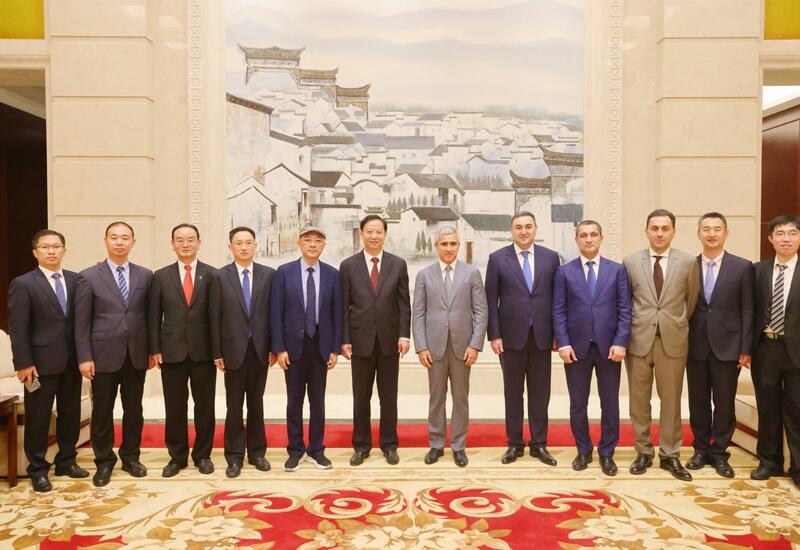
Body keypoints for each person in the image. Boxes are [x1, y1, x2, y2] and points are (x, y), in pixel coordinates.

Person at [8, 229, 89, 492]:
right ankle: (38, 469)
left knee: (70, 414)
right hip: (39, 365)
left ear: (64, 250)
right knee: (38, 418)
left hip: (71, 362)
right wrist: (23, 363)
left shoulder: (76, 280)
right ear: (35, 252)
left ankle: (67, 461)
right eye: (45, 246)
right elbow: (18, 328)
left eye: (56, 246)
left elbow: (81, 323)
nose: (51, 251)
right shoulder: (24, 284)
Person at [74, 221, 153, 487]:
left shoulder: (145, 275)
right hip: (102, 355)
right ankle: (104, 461)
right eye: (114, 237)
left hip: (136, 355)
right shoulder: (88, 276)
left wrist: (151, 350)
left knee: (134, 410)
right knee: (102, 411)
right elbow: (81, 322)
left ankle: (131, 458)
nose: (120, 242)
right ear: (105, 240)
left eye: (125, 237)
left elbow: (149, 317)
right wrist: (84, 357)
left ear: (133, 242)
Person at [623, 209, 699, 481]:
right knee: (639, 402)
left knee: (671, 401)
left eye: (665, 228)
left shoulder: (688, 262)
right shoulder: (631, 262)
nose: (659, 233)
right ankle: (643, 452)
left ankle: (670, 454)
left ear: (673, 232)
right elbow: (626, 302)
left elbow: (691, 301)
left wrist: (673, 324)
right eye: (654, 228)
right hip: (638, 341)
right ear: (646, 231)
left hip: (673, 342)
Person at [553, 220, 631, 476]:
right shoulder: (564, 272)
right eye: (584, 235)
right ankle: (583, 450)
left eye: (593, 234)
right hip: (576, 349)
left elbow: (625, 309)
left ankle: (607, 453)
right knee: (578, 404)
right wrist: (563, 343)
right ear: (576, 239)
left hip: (609, 348)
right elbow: (558, 310)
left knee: (610, 404)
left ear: (601, 238)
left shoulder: (617, 270)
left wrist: (621, 342)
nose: (589, 239)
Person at [485, 211, 560, 465]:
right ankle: (514, 444)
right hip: (510, 338)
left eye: (528, 226)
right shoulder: (497, 259)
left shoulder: (551, 258)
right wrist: (494, 335)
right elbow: (490, 300)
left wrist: (557, 335)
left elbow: (558, 299)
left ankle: (539, 444)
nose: (524, 231)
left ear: (536, 228)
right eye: (519, 227)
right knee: (513, 393)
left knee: (540, 393)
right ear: (512, 230)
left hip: (542, 337)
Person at [412, 226, 487, 467]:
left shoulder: (471, 273)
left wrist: (475, 345)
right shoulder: (424, 275)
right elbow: (418, 314)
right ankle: (436, 444)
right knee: (436, 398)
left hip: (462, 348)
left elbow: (481, 311)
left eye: (453, 244)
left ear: (458, 246)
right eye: (444, 244)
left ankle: (458, 445)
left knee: (460, 398)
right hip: (433, 348)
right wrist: (421, 347)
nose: (448, 248)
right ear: (436, 246)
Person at [686, 212, 753, 479]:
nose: (711, 234)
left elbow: (748, 310)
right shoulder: (688, 266)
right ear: (699, 234)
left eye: (717, 229)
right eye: (706, 229)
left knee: (724, 403)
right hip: (695, 345)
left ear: (726, 233)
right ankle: (700, 449)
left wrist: (746, 348)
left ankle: (719, 452)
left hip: (729, 346)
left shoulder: (743, 266)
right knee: (698, 401)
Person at [340, 215, 411, 466]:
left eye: (378, 232)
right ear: (361, 234)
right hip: (360, 341)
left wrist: (404, 335)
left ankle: (389, 445)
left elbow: (404, 304)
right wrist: (344, 339)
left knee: (388, 397)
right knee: (361, 397)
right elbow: (343, 305)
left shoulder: (397, 264)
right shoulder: (348, 266)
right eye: (369, 231)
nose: (374, 236)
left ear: (385, 234)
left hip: (390, 341)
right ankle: (361, 446)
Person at [148, 223, 216, 477]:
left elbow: (217, 317)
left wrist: (218, 352)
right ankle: (177, 457)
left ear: (199, 242)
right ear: (173, 244)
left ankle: (203, 455)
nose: (185, 244)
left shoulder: (212, 275)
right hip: (171, 352)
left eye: (190, 239)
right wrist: (155, 349)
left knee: (205, 407)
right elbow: (153, 316)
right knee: (175, 407)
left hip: (204, 353)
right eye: (180, 240)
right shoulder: (160, 276)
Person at [271, 227, 342, 472]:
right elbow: (276, 312)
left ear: (324, 245)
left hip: (321, 346)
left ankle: (316, 450)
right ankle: (295, 450)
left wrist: (334, 349)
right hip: (292, 348)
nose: (313, 245)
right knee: (294, 402)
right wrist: (279, 348)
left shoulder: (333, 275)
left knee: (318, 402)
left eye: (317, 241)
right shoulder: (284, 272)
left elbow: (337, 313)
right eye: (308, 240)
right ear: (299, 244)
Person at [209, 226, 275, 478]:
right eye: (239, 243)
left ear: (255, 246)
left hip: (260, 351)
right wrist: (217, 352)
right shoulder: (219, 277)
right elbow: (214, 317)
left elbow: (274, 315)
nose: (244, 247)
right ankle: (234, 456)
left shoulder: (269, 275)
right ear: (231, 247)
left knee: (256, 404)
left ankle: (257, 453)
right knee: (234, 406)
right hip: (232, 351)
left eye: (248, 242)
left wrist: (274, 347)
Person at [750, 214, 800, 489]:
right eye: (780, 234)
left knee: (797, 409)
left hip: (797, 351)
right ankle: (769, 461)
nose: (786, 239)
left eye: (792, 233)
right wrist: (746, 349)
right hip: (765, 348)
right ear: (770, 239)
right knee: (767, 407)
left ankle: (798, 467)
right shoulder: (758, 271)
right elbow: (750, 312)